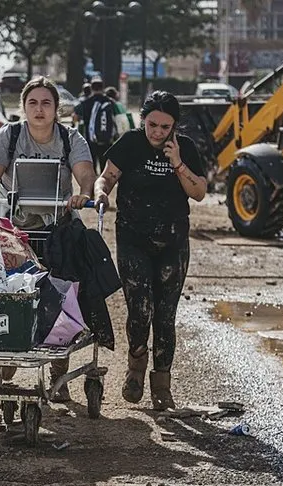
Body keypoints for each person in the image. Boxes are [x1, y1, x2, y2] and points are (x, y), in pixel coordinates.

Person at [0, 75, 96, 401]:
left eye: (46, 103)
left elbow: (85, 175)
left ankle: (59, 373)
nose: (39, 109)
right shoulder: (9, 136)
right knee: (11, 295)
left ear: (56, 109)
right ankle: (9, 363)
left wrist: (84, 193)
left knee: (61, 297)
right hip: (14, 231)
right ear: (23, 107)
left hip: (58, 229)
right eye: (33, 103)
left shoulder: (71, 140)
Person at [93, 91, 208, 411]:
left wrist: (178, 163)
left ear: (174, 126)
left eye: (165, 126)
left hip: (173, 242)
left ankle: (162, 386)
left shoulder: (185, 148)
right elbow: (106, 178)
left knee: (166, 316)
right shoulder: (130, 143)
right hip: (133, 239)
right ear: (143, 120)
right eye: (152, 124)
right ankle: (135, 368)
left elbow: (199, 193)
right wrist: (101, 194)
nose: (157, 132)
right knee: (140, 309)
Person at [76, 76, 116, 174]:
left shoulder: (86, 102)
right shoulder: (109, 102)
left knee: (92, 167)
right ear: (102, 88)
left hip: (91, 139)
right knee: (105, 167)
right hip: (107, 139)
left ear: (92, 88)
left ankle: (93, 186)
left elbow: (80, 118)